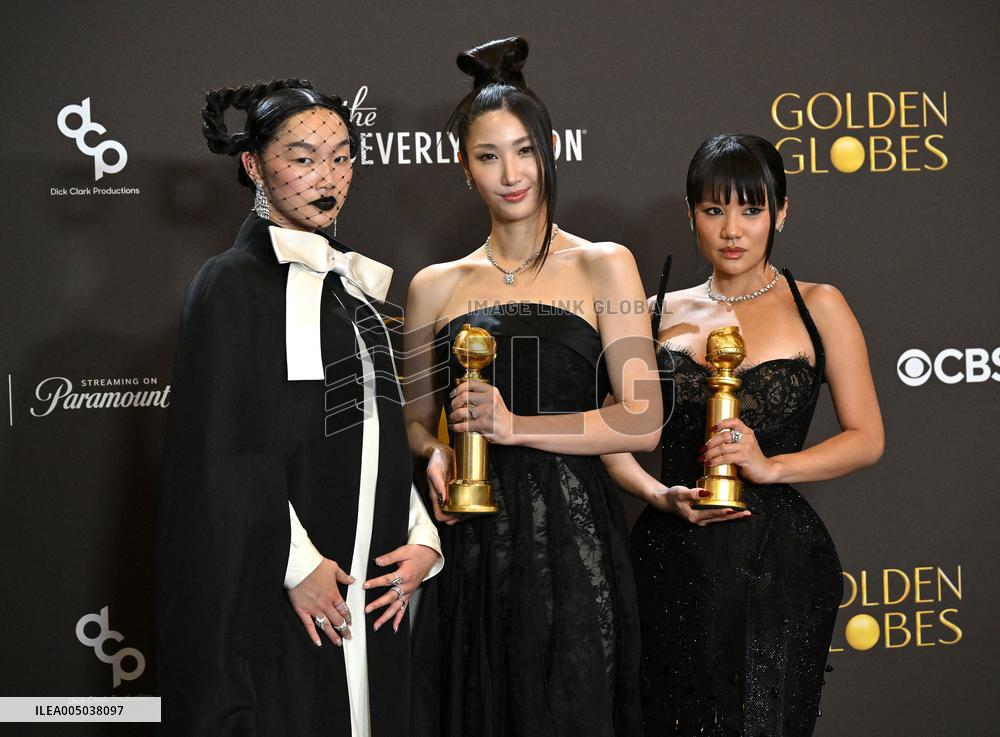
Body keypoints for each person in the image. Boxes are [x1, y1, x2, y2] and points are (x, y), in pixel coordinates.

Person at [155, 79, 442, 737]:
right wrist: (296, 561)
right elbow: (218, 453)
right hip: (291, 594)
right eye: (304, 156)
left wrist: (422, 539)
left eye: (342, 157)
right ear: (253, 165)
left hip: (374, 603)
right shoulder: (228, 284)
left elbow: (379, 434)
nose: (329, 177)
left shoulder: (353, 288)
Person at [403, 37, 661, 737]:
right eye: (488, 156)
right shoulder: (433, 287)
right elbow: (415, 418)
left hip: (575, 548)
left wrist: (515, 426)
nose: (510, 173)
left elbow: (643, 419)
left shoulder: (605, 265)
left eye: (523, 150)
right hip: (471, 551)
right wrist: (432, 452)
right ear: (465, 169)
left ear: (549, 151)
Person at [602, 133, 884, 736]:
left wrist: (772, 467)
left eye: (751, 210)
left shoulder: (819, 306)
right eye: (714, 210)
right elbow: (609, 435)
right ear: (691, 215)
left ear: (781, 212)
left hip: (779, 566)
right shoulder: (653, 313)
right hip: (669, 557)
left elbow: (866, 437)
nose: (732, 229)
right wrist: (656, 494)